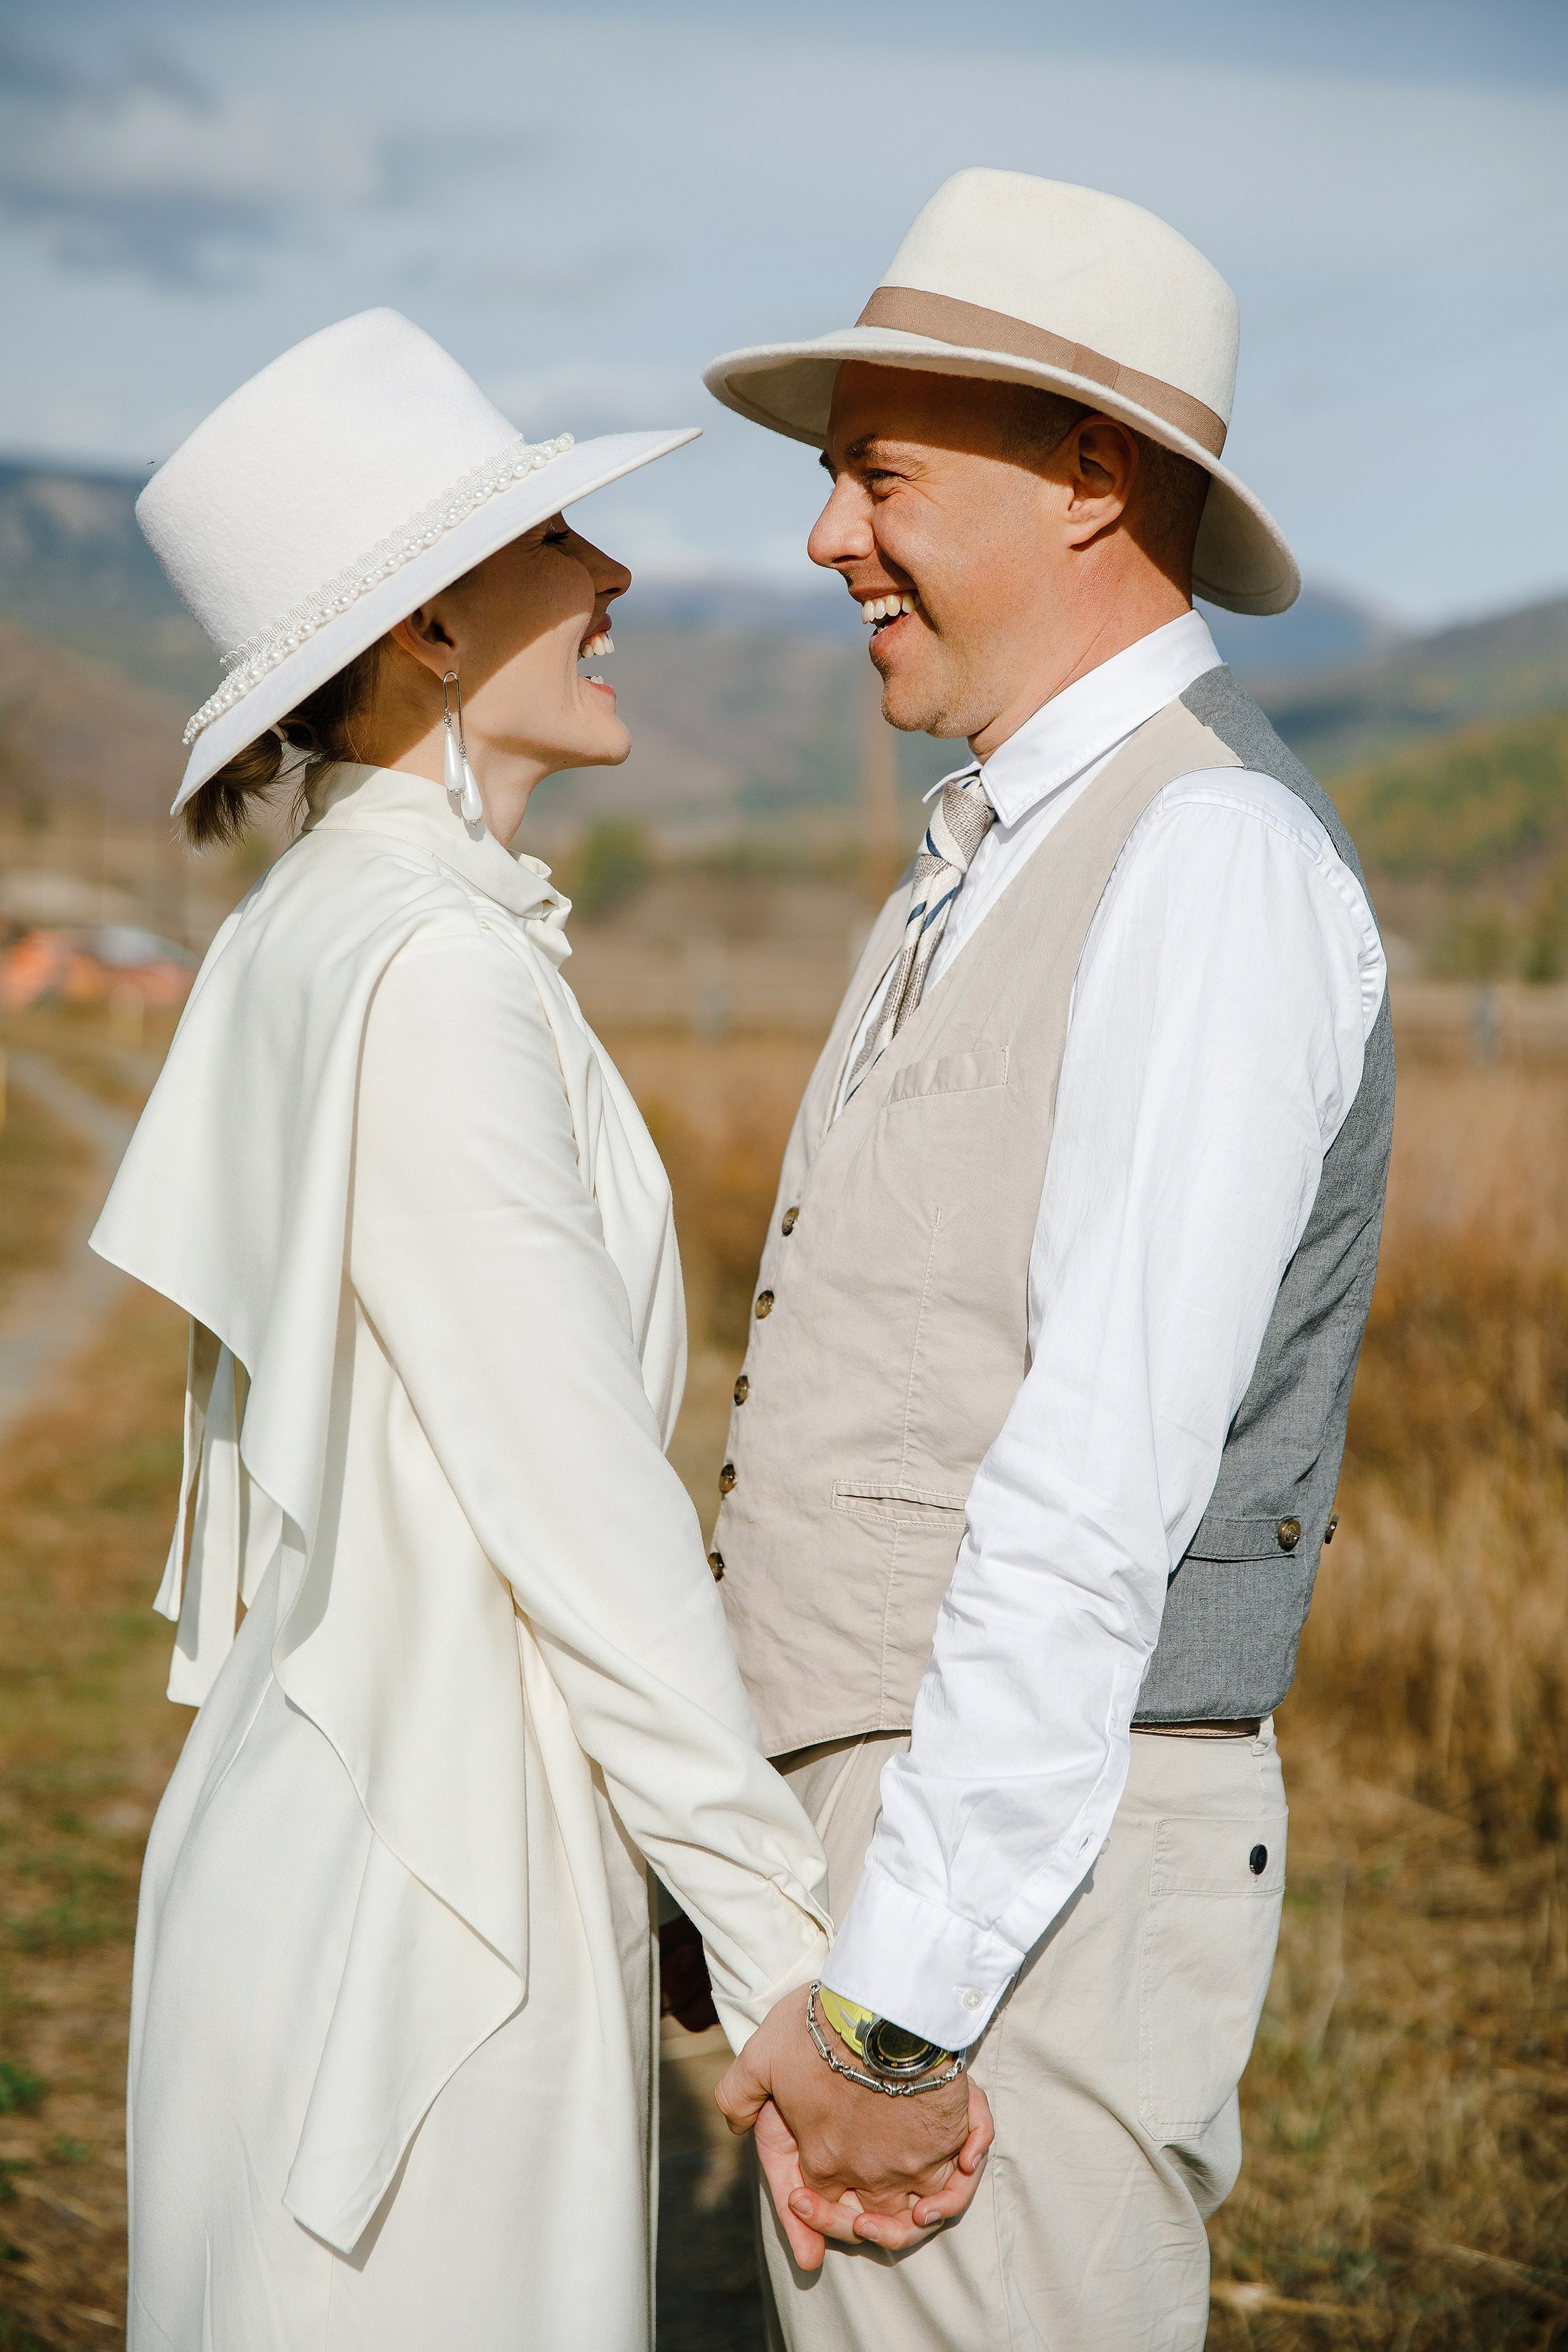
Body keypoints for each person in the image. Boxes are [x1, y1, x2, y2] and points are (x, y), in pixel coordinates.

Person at [91, 309, 986, 2352]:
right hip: (432, 1907)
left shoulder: (328, 926)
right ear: (425, 631)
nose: (615, 575)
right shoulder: (429, 968)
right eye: (556, 535)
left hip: (348, 1835)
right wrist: (785, 1945)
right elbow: (577, 1509)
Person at [701, 170, 1393, 2349]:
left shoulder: (1207, 856)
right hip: (917, 1859)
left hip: (1017, 1895)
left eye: (879, 474)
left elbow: (1095, 1480)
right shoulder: (972, 862)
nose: (829, 539)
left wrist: (901, 2014)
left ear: (1093, 478)